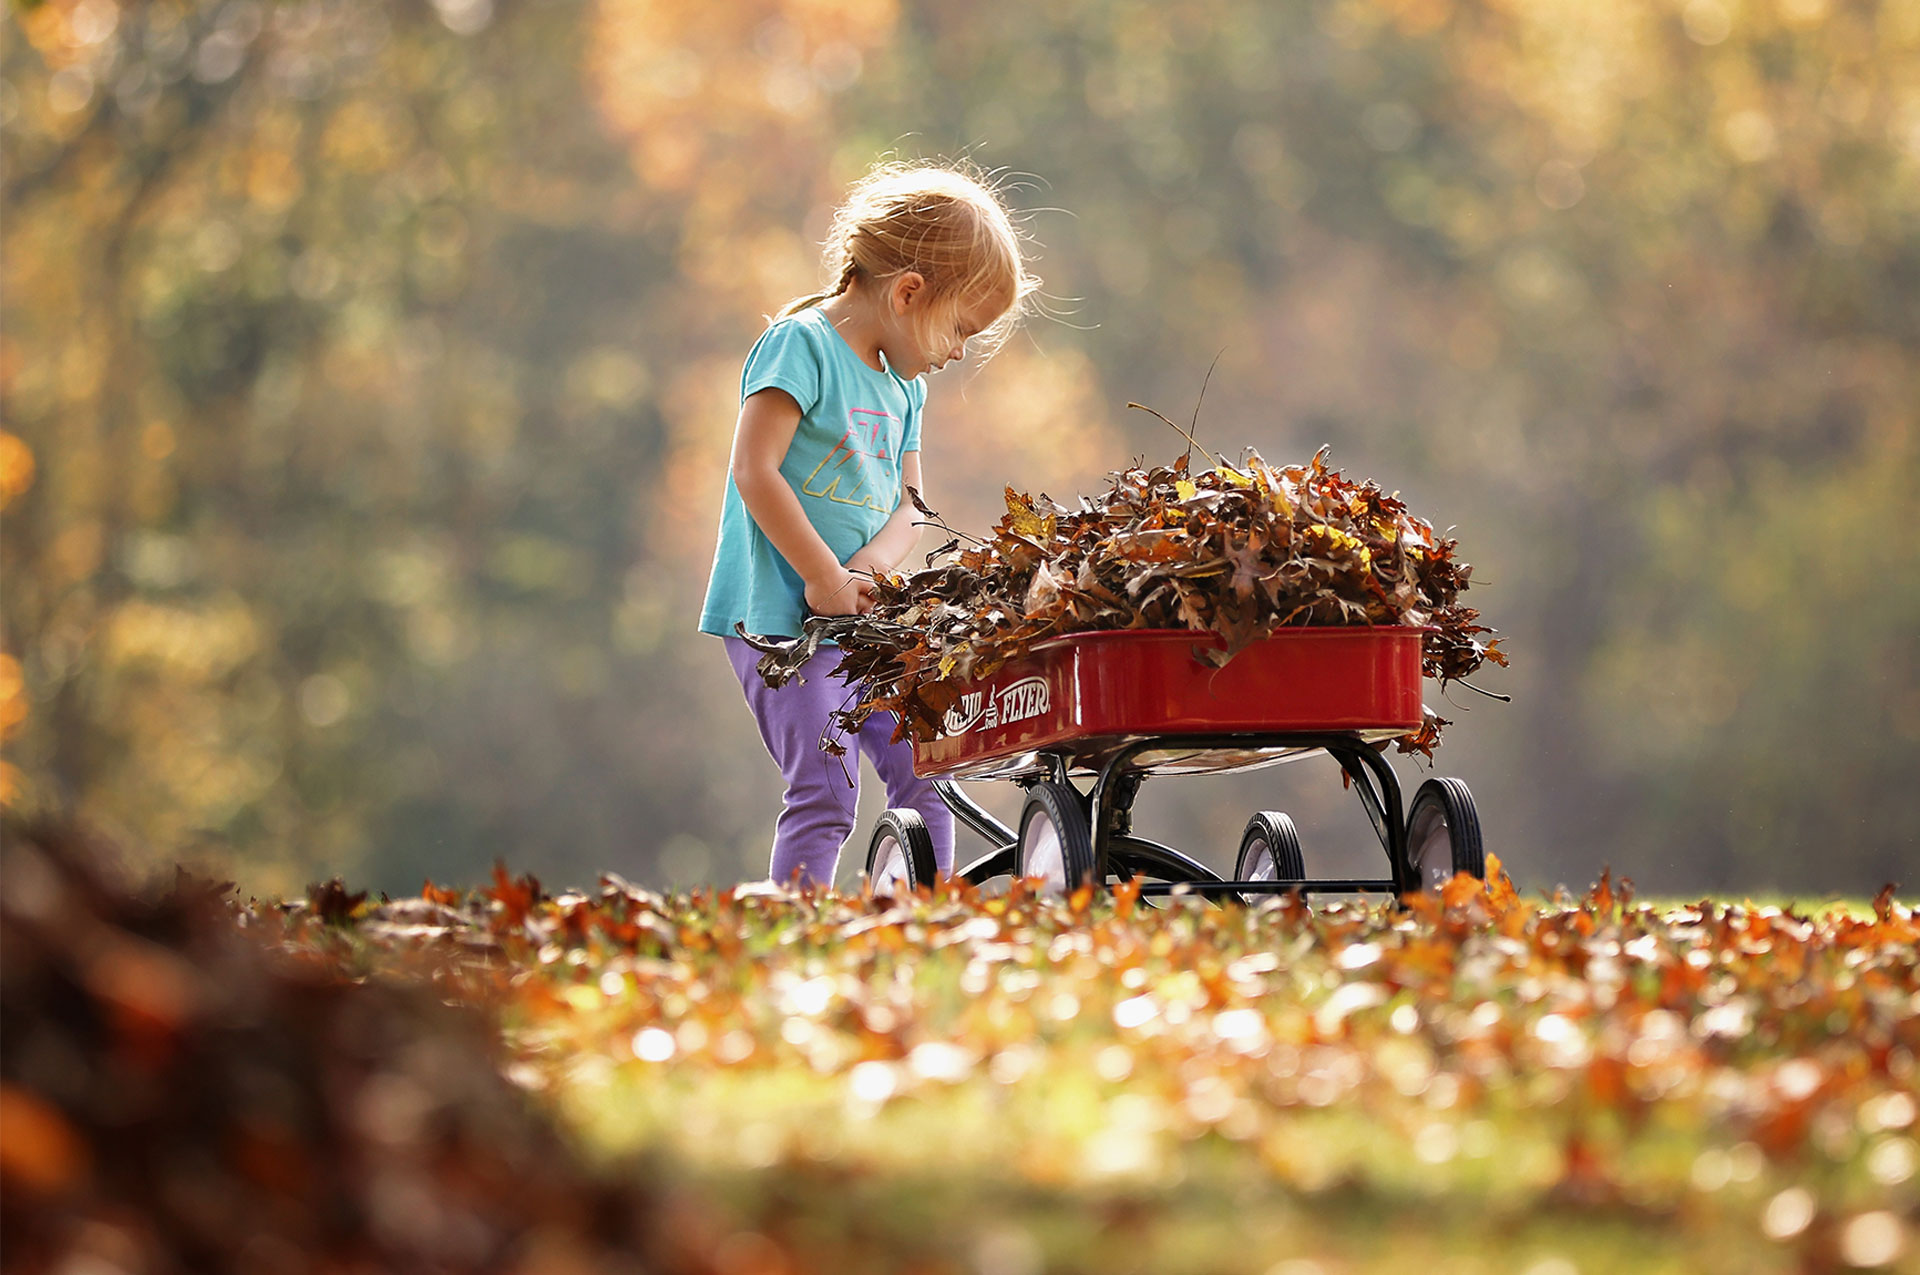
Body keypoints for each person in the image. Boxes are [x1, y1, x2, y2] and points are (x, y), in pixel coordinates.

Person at [698, 161, 1037, 889]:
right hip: (778, 623)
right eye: (960, 330)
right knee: (826, 787)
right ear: (909, 291)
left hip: (859, 624)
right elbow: (754, 470)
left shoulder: (904, 388)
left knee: (926, 765)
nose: (958, 353)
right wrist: (823, 576)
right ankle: (800, 921)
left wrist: (865, 578)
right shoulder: (802, 345)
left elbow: (910, 505)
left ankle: (928, 913)